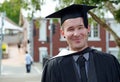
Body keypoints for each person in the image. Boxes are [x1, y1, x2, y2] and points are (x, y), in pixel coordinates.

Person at [41, 4, 120, 82]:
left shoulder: (109, 62)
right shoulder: (53, 67)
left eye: (80, 27)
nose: (76, 34)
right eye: (70, 29)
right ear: (62, 33)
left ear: (88, 29)